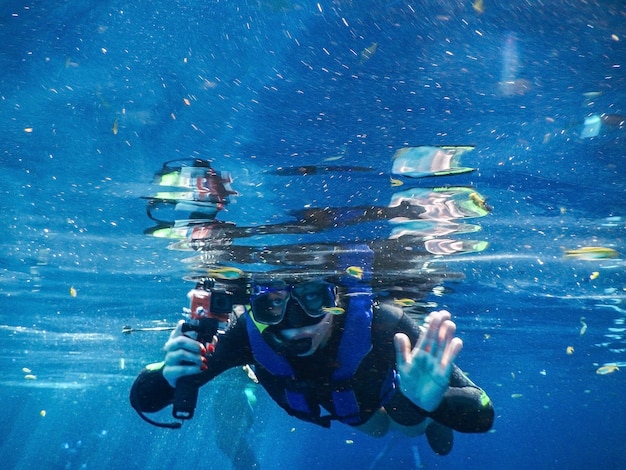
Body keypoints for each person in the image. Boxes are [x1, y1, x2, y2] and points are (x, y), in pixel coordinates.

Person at [130, 276, 494, 457]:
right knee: (377, 429)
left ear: (336, 297)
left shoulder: (382, 322)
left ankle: (422, 417)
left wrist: (435, 402)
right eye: (271, 305)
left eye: (311, 298)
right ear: (253, 307)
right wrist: (168, 373)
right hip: (353, 412)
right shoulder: (246, 336)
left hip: (384, 398)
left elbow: (483, 412)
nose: (294, 322)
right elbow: (147, 399)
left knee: (406, 423)